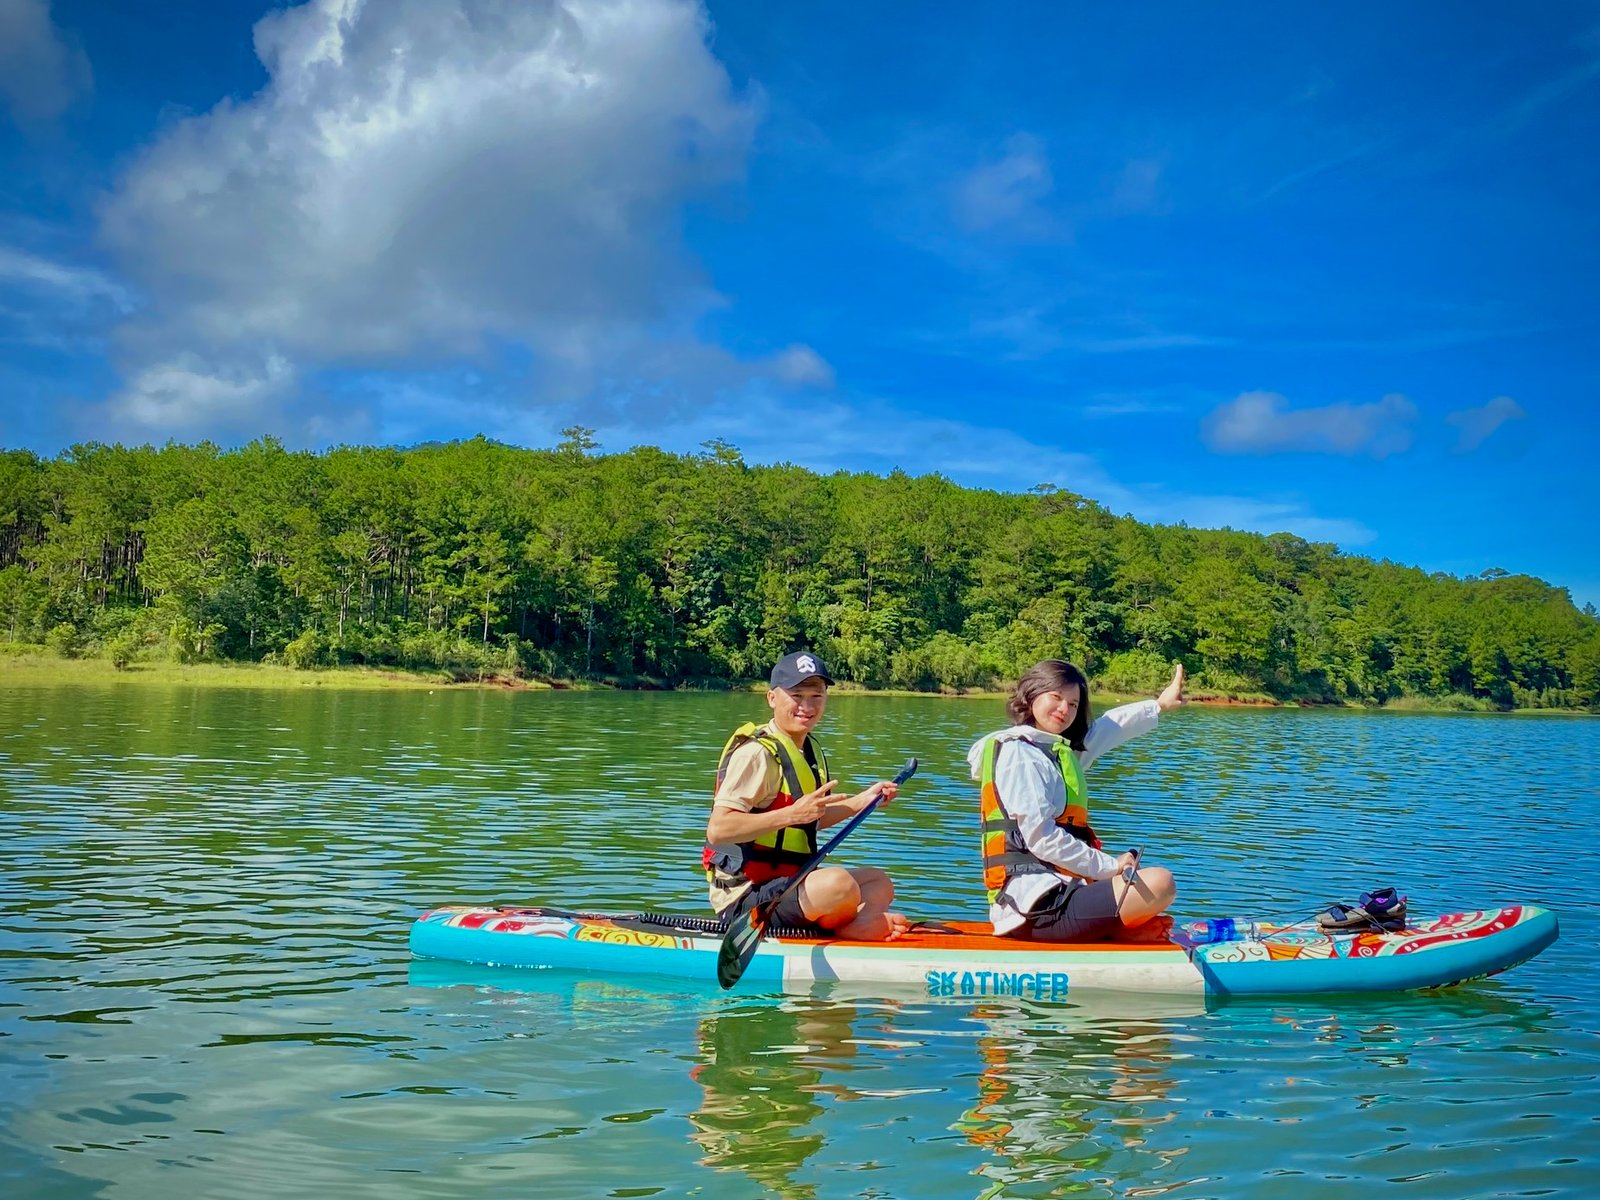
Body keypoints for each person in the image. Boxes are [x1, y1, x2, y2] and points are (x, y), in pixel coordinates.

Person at [965, 659, 1184, 942]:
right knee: (1159, 883)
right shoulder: (1021, 755)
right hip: (1036, 908)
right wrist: (1111, 867)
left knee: (1150, 894)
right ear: (1030, 695)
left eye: (1073, 704)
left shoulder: (1053, 751)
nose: (1064, 709)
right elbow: (1041, 838)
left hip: (1059, 895)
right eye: (1056, 697)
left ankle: (1120, 932)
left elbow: (1105, 731)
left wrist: (1159, 705)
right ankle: (1120, 934)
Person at [704, 650, 908, 941]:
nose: (807, 706)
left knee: (879, 882)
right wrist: (791, 814)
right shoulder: (756, 754)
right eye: (796, 695)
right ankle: (852, 925)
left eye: (816, 696)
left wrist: (863, 800)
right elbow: (720, 828)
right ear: (772, 698)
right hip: (748, 899)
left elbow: (808, 821)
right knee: (838, 884)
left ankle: (850, 924)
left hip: (786, 883)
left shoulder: (807, 749)